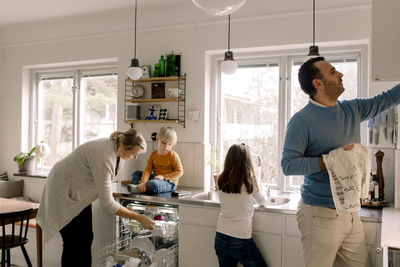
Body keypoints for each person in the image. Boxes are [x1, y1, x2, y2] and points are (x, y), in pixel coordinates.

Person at [281, 56, 400, 267]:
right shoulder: (302, 121)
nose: (340, 74)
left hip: (351, 213)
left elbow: (387, 99)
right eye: (333, 72)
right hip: (319, 215)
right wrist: (329, 160)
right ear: (318, 83)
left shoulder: (351, 109)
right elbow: (288, 165)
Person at [36, 128, 155, 267]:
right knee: (73, 242)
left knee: (86, 238)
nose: (135, 157)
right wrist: (139, 217)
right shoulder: (105, 155)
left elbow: (104, 180)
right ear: (123, 146)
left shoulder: (118, 153)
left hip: (79, 193)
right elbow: (108, 204)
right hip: (62, 190)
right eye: (134, 153)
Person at [214, 144, 268, 267]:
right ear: (247, 161)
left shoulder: (220, 179)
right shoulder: (249, 180)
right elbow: (263, 201)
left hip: (220, 236)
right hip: (240, 239)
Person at [127, 126, 183, 194]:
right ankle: (143, 186)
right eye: (163, 143)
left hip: (169, 182)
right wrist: (143, 182)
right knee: (136, 174)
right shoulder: (153, 155)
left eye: (170, 144)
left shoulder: (173, 155)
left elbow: (180, 172)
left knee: (154, 184)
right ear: (157, 140)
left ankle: (140, 187)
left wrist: (163, 177)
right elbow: (147, 170)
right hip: (156, 179)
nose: (166, 146)